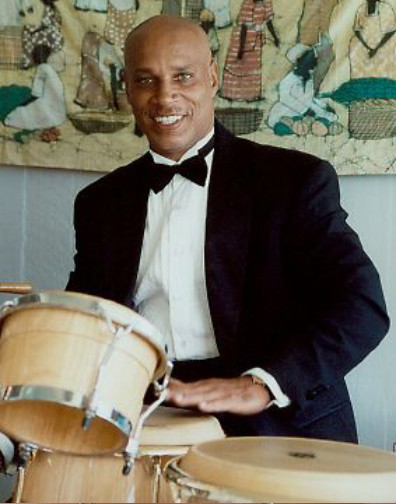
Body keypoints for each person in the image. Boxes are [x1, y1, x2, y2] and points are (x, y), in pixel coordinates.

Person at [66, 15, 389, 442]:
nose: (165, 97)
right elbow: (84, 320)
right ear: (127, 88)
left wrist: (261, 385)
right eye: (146, 80)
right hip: (146, 415)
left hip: (275, 418)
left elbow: (362, 306)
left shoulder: (293, 181)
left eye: (183, 76)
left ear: (213, 77)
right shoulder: (98, 203)